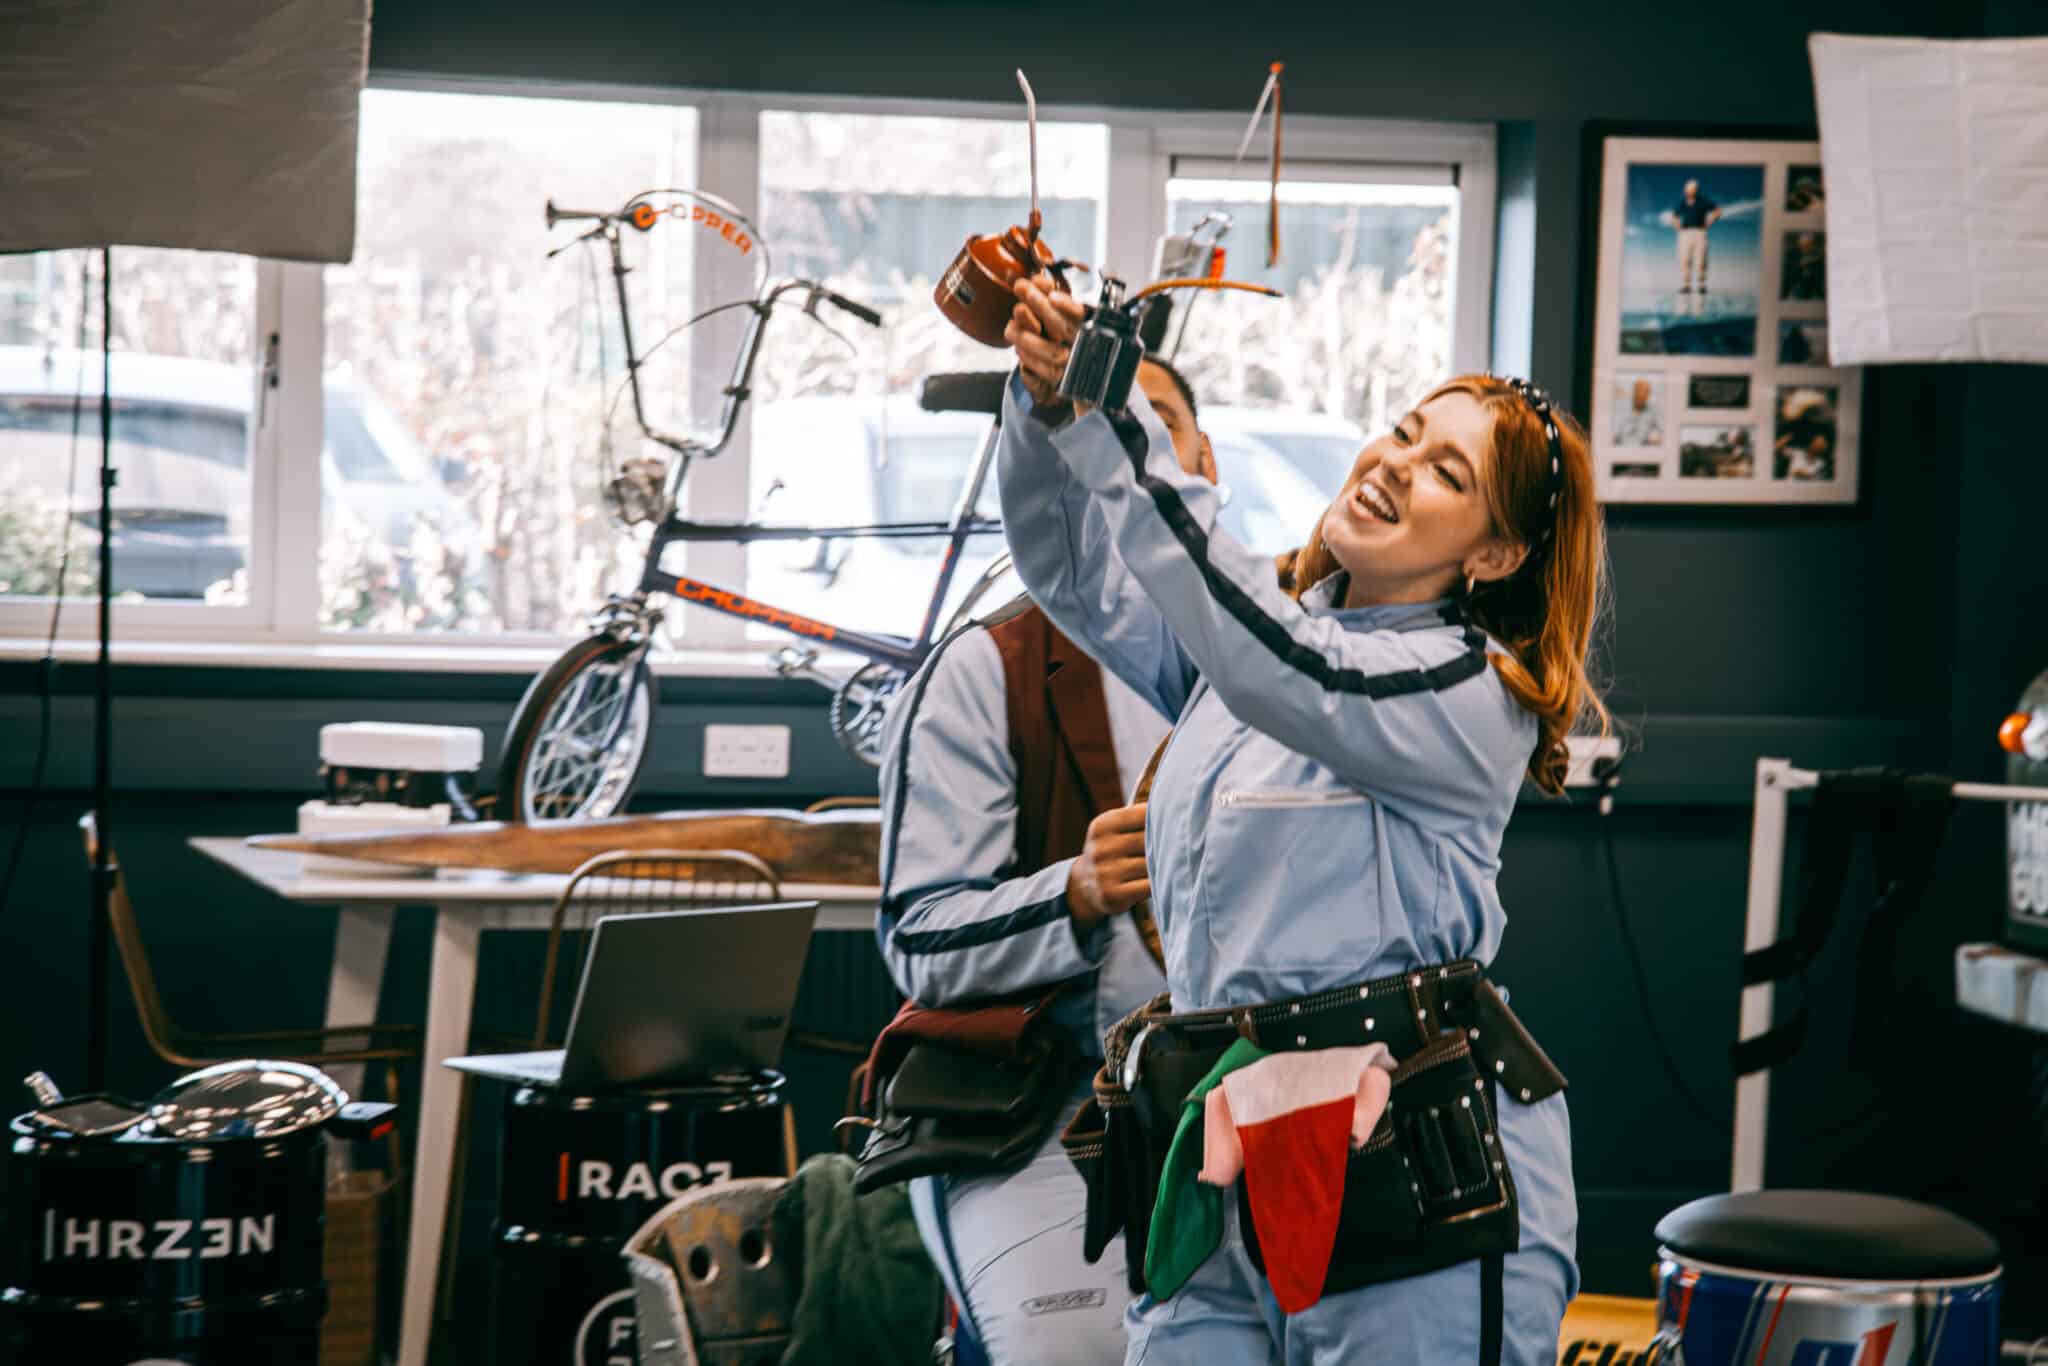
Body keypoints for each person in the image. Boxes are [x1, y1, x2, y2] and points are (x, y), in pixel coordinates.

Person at [999, 276, 1607, 1365]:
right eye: (1403, 432)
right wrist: (1049, 406)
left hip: (1405, 1170)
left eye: (1447, 473)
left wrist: (1113, 406)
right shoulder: (1264, 637)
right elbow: (1074, 573)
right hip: (1216, 1146)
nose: (1395, 464)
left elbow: (1283, 665)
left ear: (1494, 555)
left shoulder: (1468, 691)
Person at [875, 356, 1218, 1366]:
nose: (1121, 442)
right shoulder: (983, 670)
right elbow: (917, 938)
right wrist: (1072, 890)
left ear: (1204, 464)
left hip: (1252, 1096)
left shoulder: (1279, 665)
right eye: (1093, 421)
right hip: (1048, 1104)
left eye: (1150, 421)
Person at [1662, 179, 1722, 313]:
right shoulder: (1682, 202)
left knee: (1701, 259)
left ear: (1696, 190)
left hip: (1700, 232)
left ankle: (1701, 285)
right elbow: (1673, 216)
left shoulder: (1703, 201)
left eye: (1692, 190)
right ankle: (1686, 285)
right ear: (1685, 191)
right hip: (1685, 234)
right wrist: (1677, 226)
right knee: (1684, 259)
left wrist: (1710, 221)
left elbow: (1718, 211)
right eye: (1688, 190)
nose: (1689, 192)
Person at [1610, 377, 1662, 447]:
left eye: (1645, 392)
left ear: (1648, 395)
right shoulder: (1621, 408)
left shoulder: (1653, 411)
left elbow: (1661, 432)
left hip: (1643, 449)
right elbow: (1612, 434)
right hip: (1621, 447)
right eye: (1639, 391)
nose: (1641, 395)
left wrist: (1654, 438)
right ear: (1634, 391)